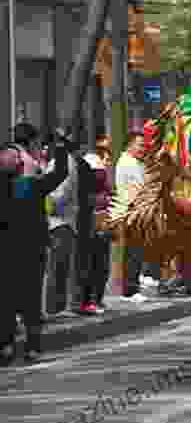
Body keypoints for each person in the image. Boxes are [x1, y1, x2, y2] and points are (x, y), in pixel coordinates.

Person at [0, 135, 68, 364]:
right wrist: (59, 148)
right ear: (20, 166)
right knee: (31, 299)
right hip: (32, 253)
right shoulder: (31, 185)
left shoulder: (27, 185)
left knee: (6, 300)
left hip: (7, 254)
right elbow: (60, 174)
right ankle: (32, 346)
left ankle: (6, 346)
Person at [44, 131, 80, 314]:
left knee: (57, 268)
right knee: (57, 267)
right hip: (59, 222)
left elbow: (59, 196)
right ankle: (57, 306)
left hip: (60, 223)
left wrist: (40, 201)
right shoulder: (61, 162)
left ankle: (55, 308)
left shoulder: (64, 163)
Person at [79, 135, 114, 313]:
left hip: (103, 221)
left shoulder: (103, 186)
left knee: (102, 264)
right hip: (92, 223)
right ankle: (90, 300)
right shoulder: (89, 190)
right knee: (93, 263)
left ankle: (97, 299)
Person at [115, 132, 148, 302]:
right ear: (130, 145)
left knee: (136, 250)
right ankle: (129, 290)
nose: (142, 148)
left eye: (143, 145)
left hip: (139, 210)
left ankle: (133, 287)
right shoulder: (126, 162)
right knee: (133, 251)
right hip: (132, 210)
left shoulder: (136, 162)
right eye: (139, 145)